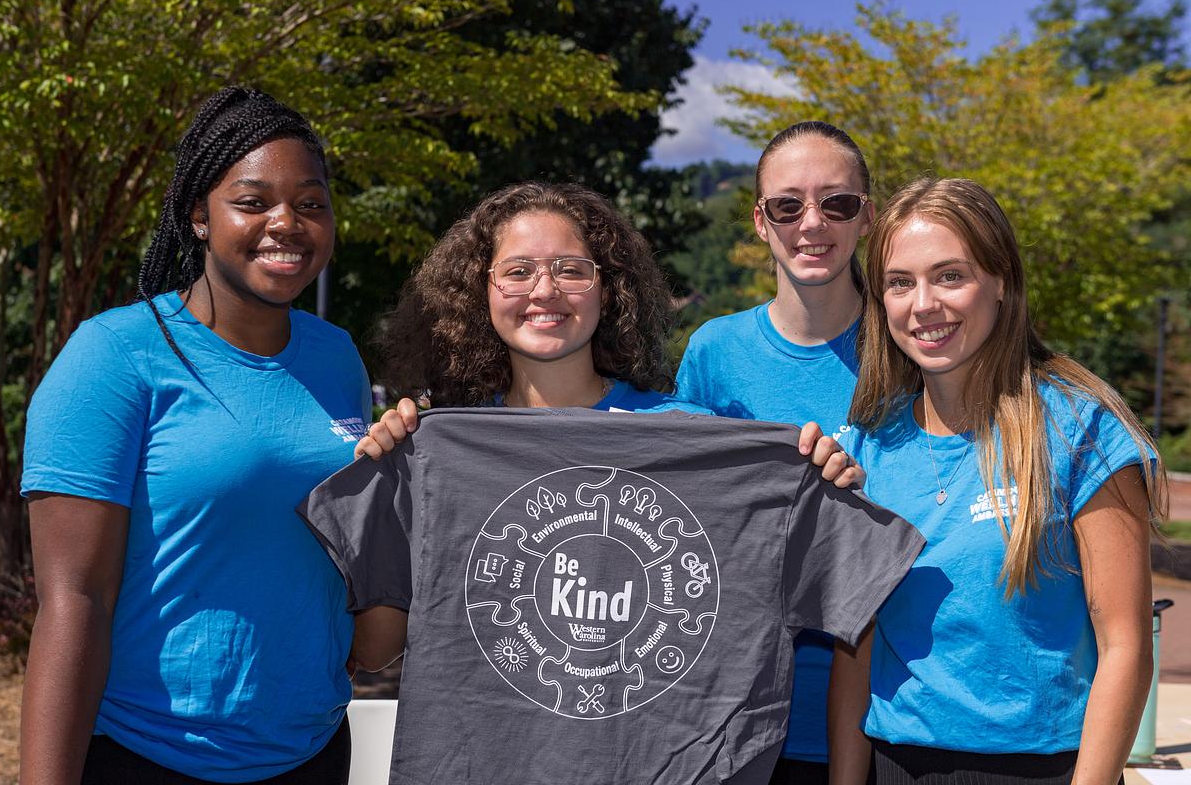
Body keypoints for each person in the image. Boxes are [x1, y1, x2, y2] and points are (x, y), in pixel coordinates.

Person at [351, 180, 864, 672]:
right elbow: (375, 653)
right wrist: (388, 484)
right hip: (488, 761)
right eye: (518, 270)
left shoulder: (689, 439)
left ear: (610, 289)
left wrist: (820, 490)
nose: (545, 290)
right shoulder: (440, 450)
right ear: (478, 290)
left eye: (572, 270)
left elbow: (787, 592)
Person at [20, 87, 369, 784]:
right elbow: (73, 601)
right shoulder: (114, 357)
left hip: (313, 751)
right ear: (198, 217)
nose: (287, 223)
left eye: (310, 202)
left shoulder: (338, 358)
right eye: (252, 201)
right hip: (150, 756)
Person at [830, 177, 1167, 785]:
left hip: (1047, 770)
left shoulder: (1079, 431)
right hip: (895, 765)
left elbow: (1126, 646)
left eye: (950, 276)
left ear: (1001, 282)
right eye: (900, 282)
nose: (923, 303)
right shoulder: (867, 449)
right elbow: (855, 652)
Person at [676, 120, 875, 783]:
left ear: (866, 217)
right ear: (761, 222)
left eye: (837, 203)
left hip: (885, 718)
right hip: (739, 720)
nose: (812, 223)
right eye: (788, 205)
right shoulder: (714, 353)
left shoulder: (914, 348)